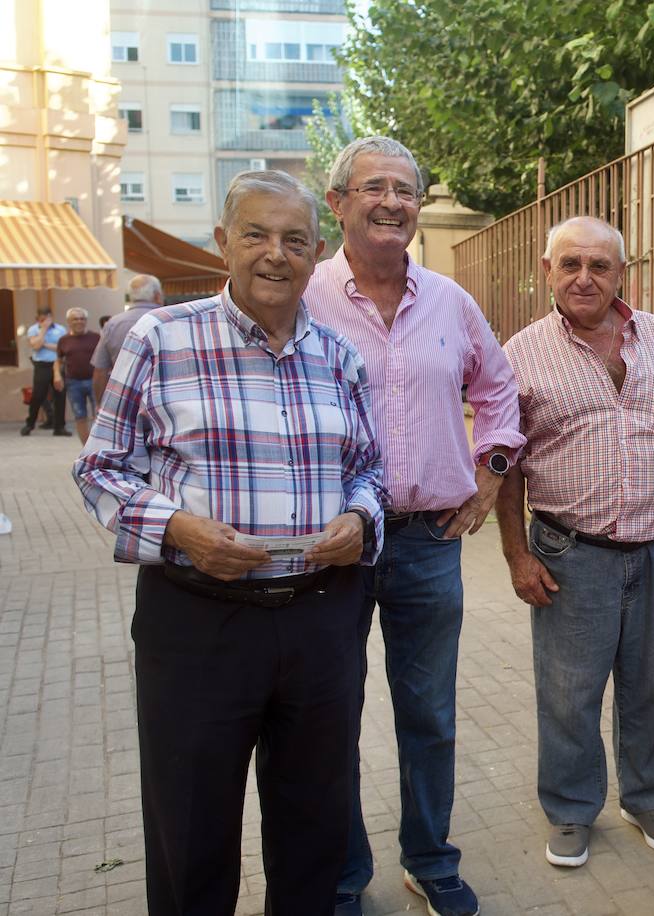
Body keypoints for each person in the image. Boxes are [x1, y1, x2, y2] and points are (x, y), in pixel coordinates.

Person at [72, 170, 387, 916]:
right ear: (223, 243)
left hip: (320, 618)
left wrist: (362, 522)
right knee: (191, 831)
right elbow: (100, 470)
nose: (275, 255)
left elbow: (369, 468)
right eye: (256, 235)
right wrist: (178, 529)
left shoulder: (339, 357)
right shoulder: (160, 338)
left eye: (294, 240)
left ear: (318, 254)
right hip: (198, 621)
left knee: (314, 828)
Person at [305, 136, 523, 916]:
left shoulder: (451, 301)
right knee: (329, 715)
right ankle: (342, 874)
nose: (393, 201)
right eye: (374, 187)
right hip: (330, 549)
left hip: (430, 543)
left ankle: (430, 860)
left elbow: (500, 391)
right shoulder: (305, 296)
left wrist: (493, 475)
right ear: (337, 203)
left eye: (406, 189)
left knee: (428, 714)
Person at [495, 216, 654, 871]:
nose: (584, 278)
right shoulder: (523, 353)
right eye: (570, 265)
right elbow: (505, 466)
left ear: (623, 274)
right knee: (570, 693)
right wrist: (515, 555)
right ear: (547, 272)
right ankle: (569, 809)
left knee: (646, 685)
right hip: (569, 553)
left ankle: (646, 796)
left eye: (599, 265)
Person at [94, 274, 165, 405]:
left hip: (124, 401)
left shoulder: (112, 324)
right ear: (157, 295)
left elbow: (100, 370)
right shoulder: (169, 321)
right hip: (163, 402)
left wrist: (101, 404)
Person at [21, 304, 69, 437]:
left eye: (47, 318)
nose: (45, 321)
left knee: (60, 395)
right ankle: (29, 424)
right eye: (41, 319)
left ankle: (59, 427)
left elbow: (62, 348)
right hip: (41, 365)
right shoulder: (33, 329)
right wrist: (43, 329)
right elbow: (36, 346)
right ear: (38, 319)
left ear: (51, 317)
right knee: (37, 396)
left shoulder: (60, 329)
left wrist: (45, 344)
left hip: (58, 364)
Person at [55, 308, 101, 443]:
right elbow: (58, 360)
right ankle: (86, 450)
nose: (79, 321)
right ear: (69, 322)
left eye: (82, 318)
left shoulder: (96, 337)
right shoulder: (63, 340)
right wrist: (57, 375)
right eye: (75, 319)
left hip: (95, 381)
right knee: (80, 416)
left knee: (99, 416)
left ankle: (97, 447)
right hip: (73, 383)